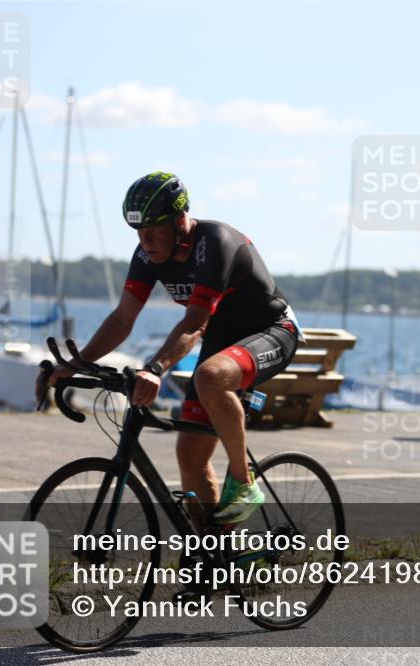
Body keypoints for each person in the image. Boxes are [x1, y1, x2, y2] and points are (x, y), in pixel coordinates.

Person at [47, 171, 299, 526]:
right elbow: (122, 319)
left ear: (180, 220)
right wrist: (76, 364)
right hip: (223, 342)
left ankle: (244, 484)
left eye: (153, 229)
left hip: (271, 331)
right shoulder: (148, 255)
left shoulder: (216, 243)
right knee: (190, 455)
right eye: (138, 231)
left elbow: (194, 324)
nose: (145, 240)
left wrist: (154, 369)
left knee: (212, 376)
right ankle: (212, 558)